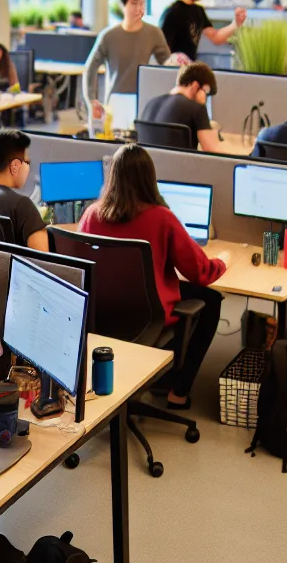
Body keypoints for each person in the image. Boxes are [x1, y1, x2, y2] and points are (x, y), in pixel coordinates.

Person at [78, 144, 227, 408]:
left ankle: (158, 376)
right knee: (211, 300)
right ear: (149, 178)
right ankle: (177, 391)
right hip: (149, 317)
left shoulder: (91, 215)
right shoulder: (162, 218)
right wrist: (221, 263)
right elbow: (199, 273)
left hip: (100, 315)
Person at [84, 0, 170, 119]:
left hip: (142, 97)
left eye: (142, 4)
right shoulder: (108, 36)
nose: (139, 8)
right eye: (134, 4)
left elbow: (167, 64)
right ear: (123, 6)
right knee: (115, 137)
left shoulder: (154, 33)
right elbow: (90, 68)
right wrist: (92, 100)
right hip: (115, 98)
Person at [0, 129, 48, 251]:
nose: (28, 169)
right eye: (27, 163)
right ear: (15, 166)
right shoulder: (21, 205)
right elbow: (44, 262)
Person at [159, 0, 247, 61]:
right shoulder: (172, 12)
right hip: (173, 68)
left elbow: (216, 37)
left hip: (189, 67)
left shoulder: (199, 11)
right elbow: (162, 47)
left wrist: (235, 24)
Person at [140, 62, 226, 153]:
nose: (205, 98)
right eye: (206, 92)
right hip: (180, 165)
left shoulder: (150, 103)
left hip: (150, 166)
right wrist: (202, 107)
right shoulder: (197, 108)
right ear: (195, 86)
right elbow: (213, 152)